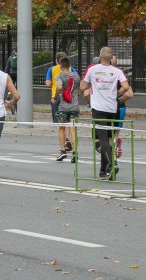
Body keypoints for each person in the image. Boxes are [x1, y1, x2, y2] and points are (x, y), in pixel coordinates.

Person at [80, 46, 130, 180]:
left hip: (98, 108)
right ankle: (104, 171)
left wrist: (93, 84)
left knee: (102, 139)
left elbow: (82, 87)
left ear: (100, 56)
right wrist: (117, 94)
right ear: (111, 57)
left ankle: (112, 163)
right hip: (112, 108)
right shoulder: (116, 71)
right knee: (108, 139)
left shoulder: (93, 69)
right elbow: (126, 86)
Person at [45, 51, 76, 153]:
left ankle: (63, 146)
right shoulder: (71, 69)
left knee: (60, 123)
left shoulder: (51, 69)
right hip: (69, 98)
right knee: (69, 122)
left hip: (57, 97)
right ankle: (68, 139)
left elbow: (48, 83)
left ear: (56, 60)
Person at [54, 57, 80, 163]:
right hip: (74, 106)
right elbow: (79, 91)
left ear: (61, 66)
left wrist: (55, 97)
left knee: (61, 128)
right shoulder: (77, 77)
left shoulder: (59, 76)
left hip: (63, 107)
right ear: (69, 66)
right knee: (73, 129)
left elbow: (59, 87)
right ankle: (75, 152)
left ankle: (63, 151)